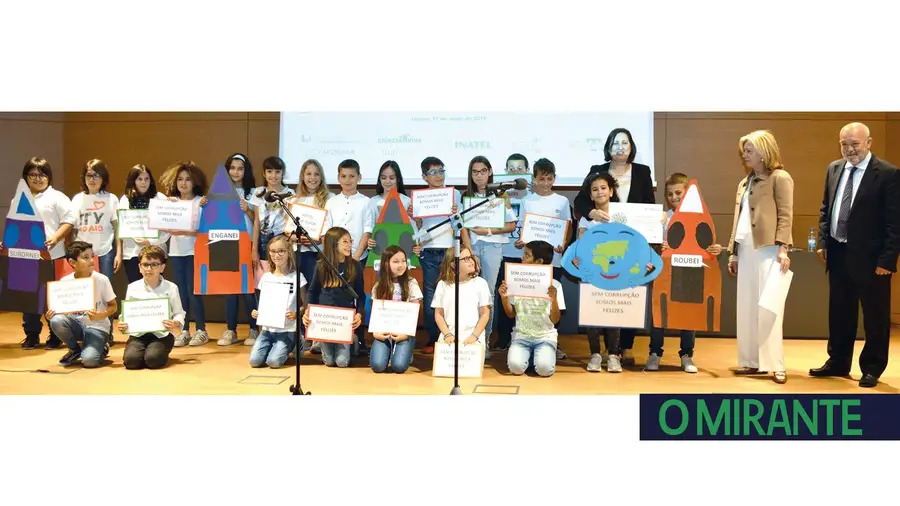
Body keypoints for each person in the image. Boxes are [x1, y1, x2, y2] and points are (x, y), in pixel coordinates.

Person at [809, 122, 900, 388]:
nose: (849, 150)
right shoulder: (834, 168)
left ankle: (872, 367)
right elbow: (826, 209)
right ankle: (838, 361)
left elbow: (895, 223)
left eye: (855, 144)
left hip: (873, 260)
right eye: (844, 144)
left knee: (874, 315)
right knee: (839, 311)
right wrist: (825, 241)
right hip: (838, 253)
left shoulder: (888, 173)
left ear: (868, 143)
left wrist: (887, 260)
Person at [574, 128, 656, 364]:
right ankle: (602, 352)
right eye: (615, 143)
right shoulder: (596, 172)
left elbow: (648, 204)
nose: (620, 147)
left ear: (631, 147)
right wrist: (592, 213)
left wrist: (652, 221)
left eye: (625, 143)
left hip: (631, 240)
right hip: (600, 243)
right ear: (608, 147)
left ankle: (623, 347)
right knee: (600, 297)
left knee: (628, 290)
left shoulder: (642, 171)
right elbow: (580, 199)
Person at [725, 130, 794, 384]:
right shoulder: (745, 182)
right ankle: (751, 362)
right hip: (745, 250)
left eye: (750, 150)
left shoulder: (780, 178)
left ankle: (776, 364)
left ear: (764, 152)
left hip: (769, 250)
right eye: (744, 150)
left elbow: (786, 215)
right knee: (746, 308)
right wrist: (733, 252)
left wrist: (783, 248)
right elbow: (738, 219)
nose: (745, 154)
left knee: (769, 308)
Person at [646, 173, 722, 373]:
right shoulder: (662, 218)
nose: (674, 197)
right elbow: (651, 245)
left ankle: (687, 355)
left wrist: (715, 249)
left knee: (688, 312)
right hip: (665, 273)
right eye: (669, 194)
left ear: (688, 192)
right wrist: (658, 245)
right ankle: (655, 353)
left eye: (678, 192)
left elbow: (708, 245)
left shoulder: (700, 217)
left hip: (689, 274)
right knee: (659, 312)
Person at [14, 158, 76, 350]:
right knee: (28, 297)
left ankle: (56, 335)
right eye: (33, 174)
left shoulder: (57, 197)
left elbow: (70, 219)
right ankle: (32, 335)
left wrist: (57, 237)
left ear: (49, 177)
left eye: (42, 174)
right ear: (26, 177)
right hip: (25, 255)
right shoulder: (19, 198)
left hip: (53, 255)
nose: (38, 178)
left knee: (52, 297)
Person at [516, 158, 572, 360]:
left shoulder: (562, 201)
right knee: (530, 300)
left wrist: (563, 243)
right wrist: (521, 242)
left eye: (549, 179)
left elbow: (567, 225)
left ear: (554, 178)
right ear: (534, 178)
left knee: (550, 299)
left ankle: (551, 342)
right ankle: (524, 339)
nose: (546, 183)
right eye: (542, 179)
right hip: (531, 262)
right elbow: (523, 227)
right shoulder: (527, 201)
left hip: (553, 259)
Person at [460, 155, 517, 354]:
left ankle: (483, 341)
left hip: (493, 248)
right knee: (469, 293)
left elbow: (511, 225)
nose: (479, 176)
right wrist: (468, 252)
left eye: (483, 171)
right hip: (472, 249)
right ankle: (468, 338)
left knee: (488, 293)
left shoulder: (500, 196)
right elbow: (463, 228)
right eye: (475, 172)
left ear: (490, 172)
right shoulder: (465, 196)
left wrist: (489, 231)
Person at [573, 171, 624, 372]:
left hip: (616, 273)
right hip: (592, 273)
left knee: (613, 313)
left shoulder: (622, 216)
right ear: (590, 196)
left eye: (603, 188)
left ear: (611, 191)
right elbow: (581, 244)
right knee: (592, 313)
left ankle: (613, 355)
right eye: (595, 190)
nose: (600, 192)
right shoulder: (587, 220)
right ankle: (594, 354)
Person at [322, 159, 371, 356]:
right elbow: (328, 231)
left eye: (352, 176)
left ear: (359, 177)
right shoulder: (331, 202)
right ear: (338, 178)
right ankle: (334, 336)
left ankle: (357, 337)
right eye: (343, 176)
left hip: (359, 257)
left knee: (357, 296)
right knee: (337, 296)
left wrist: (356, 257)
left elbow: (367, 230)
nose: (348, 180)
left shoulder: (366, 202)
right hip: (335, 260)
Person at [413, 156, 462, 354]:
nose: (438, 176)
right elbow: (419, 227)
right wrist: (414, 216)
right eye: (433, 172)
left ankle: (453, 335)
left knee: (452, 294)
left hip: (450, 249)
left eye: (441, 171)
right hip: (428, 250)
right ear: (425, 177)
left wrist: (454, 212)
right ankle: (434, 338)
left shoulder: (454, 194)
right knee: (432, 297)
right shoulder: (420, 197)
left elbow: (458, 223)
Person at [158, 161, 209, 347]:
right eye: (180, 179)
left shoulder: (201, 202)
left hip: (195, 252)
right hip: (176, 252)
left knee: (195, 292)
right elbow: (162, 228)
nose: (184, 183)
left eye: (188, 179)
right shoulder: (171, 203)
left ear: (195, 182)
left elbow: (206, 230)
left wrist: (188, 232)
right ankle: (185, 329)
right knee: (181, 293)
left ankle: (201, 329)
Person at [498, 240, 564, 377]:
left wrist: (554, 300)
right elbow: (511, 315)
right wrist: (504, 298)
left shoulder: (555, 285)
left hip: (545, 337)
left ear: (539, 261)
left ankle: (540, 356)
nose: (522, 258)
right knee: (515, 368)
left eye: (527, 255)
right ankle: (529, 356)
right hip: (521, 336)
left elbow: (555, 320)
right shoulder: (515, 280)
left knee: (544, 370)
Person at [46, 241, 117, 367]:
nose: (91, 260)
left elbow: (113, 306)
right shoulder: (65, 281)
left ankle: (101, 348)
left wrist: (101, 314)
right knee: (56, 320)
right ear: (72, 262)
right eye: (85, 257)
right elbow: (62, 310)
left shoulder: (102, 280)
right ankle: (75, 349)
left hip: (98, 328)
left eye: (92, 256)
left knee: (89, 361)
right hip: (76, 325)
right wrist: (52, 314)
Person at [302, 227, 365, 367]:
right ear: (333, 244)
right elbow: (312, 291)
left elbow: (361, 295)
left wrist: (359, 315)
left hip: (344, 321)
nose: (349, 245)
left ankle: (352, 338)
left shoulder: (355, 266)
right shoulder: (321, 266)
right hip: (325, 320)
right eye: (345, 242)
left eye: (350, 241)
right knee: (329, 362)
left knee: (342, 362)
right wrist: (307, 310)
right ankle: (321, 342)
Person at [118, 245, 186, 370]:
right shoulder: (133, 287)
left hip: (162, 334)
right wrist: (122, 323)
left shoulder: (171, 288)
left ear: (162, 267)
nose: (149, 269)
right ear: (140, 267)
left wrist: (175, 322)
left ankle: (157, 351)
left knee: (153, 360)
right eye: (145, 264)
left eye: (154, 264)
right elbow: (127, 313)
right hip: (138, 334)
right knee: (131, 362)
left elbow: (179, 312)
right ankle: (142, 351)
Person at [220, 152, 260, 346]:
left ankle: (254, 330)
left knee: (248, 289)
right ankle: (230, 330)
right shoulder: (219, 192)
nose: (236, 172)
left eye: (240, 168)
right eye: (232, 168)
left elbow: (258, 221)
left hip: (247, 243)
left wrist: (247, 210)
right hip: (226, 244)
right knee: (230, 289)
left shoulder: (254, 193)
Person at [493, 153, 532, 351]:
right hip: (503, 252)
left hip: (526, 255)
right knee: (504, 295)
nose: (515, 172)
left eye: (520, 168)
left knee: (526, 295)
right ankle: (503, 336)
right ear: (506, 171)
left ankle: (524, 335)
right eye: (511, 168)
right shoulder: (497, 195)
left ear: (527, 171)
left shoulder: (533, 197)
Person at [249, 236, 307, 369]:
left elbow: (306, 305)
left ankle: (295, 342)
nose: (277, 255)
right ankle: (273, 347)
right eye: (273, 251)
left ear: (289, 252)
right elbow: (262, 304)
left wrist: (297, 313)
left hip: (287, 330)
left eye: (281, 251)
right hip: (267, 331)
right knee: (255, 361)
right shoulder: (266, 277)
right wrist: (257, 313)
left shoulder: (297, 277)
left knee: (273, 362)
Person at [432, 244, 492, 360]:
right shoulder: (443, 285)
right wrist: (447, 334)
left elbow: (485, 314)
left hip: (474, 336)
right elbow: (438, 314)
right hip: (449, 336)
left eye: (471, 257)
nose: (471, 261)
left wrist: (474, 336)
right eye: (465, 259)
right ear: (453, 264)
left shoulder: (480, 283)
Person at [369, 245, 423, 373]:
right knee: (378, 366)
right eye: (396, 261)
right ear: (386, 264)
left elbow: (415, 314)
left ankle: (405, 353)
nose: (401, 265)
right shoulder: (378, 286)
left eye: (403, 261)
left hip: (404, 333)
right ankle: (387, 352)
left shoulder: (411, 283)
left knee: (399, 366)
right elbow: (375, 313)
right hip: (384, 332)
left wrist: (405, 334)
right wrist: (376, 333)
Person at [117, 164, 170, 284]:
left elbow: (167, 229)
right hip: (131, 254)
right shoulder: (125, 200)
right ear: (133, 181)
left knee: (155, 289)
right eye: (140, 179)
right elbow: (122, 227)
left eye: (147, 179)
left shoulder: (160, 198)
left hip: (156, 252)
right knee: (136, 290)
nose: (143, 182)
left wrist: (150, 242)